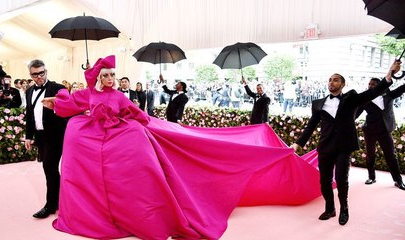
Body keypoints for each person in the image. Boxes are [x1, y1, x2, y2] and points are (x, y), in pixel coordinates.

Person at [43, 55, 322, 240]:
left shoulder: (118, 96)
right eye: (107, 75)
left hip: (117, 140)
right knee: (76, 142)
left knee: (139, 158)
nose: (111, 79)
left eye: (113, 75)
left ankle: (139, 212)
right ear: (98, 77)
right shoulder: (87, 94)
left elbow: (137, 115)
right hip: (94, 141)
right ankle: (93, 210)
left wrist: (150, 125)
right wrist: (57, 102)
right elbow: (71, 104)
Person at [291, 60, 401, 226]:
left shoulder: (351, 98)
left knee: (342, 180)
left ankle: (344, 208)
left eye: (335, 80)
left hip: (344, 146)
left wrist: (389, 74)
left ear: (343, 84)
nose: (331, 82)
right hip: (326, 146)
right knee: (324, 181)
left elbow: (372, 93)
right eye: (329, 79)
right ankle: (330, 209)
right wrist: (298, 144)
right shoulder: (318, 104)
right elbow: (311, 126)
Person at [24, 59, 67, 219]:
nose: (39, 77)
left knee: (49, 168)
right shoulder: (28, 91)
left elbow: (68, 110)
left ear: (46, 71)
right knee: (51, 170)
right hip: (40, 137)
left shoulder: (58, 88)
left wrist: (56, 106)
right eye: (35, 74)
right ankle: (61, 200)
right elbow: (29, 116)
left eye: (41, 73)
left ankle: (50, 205)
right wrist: (28, 136)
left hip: (56, 136)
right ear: (31, 75)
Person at [355, 78, 405, 190]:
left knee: (391, 155)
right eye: (369, 84)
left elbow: (402, 88)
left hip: (385, 130)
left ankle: (398, 180)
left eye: (373, 84)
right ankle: (371, 177)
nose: (370, 86)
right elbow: (355, 114)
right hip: (370, 130)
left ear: (380, 85)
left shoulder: (389, 94)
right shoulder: (365, 98)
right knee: (370, 154)